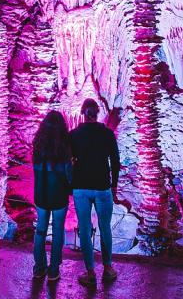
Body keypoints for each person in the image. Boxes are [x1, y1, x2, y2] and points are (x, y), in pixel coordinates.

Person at [68, 99, 120, 286]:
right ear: (98, 113)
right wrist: (114, 186)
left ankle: (90, 272)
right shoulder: (107, 133)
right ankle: (107, 268)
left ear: (83, 113)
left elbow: (69, 162)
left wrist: (70, 185)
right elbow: (115, 161)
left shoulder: (73, 134)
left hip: (81, 187)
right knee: (105, 227)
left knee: (84, 228)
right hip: (102, 186)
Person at [31, 111, 74, 280]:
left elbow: (36, 171)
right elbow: (68, 175)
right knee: (57, 231)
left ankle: (39, 268)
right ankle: (54, 269)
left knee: (40, 231)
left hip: (41, 194)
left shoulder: (38, 146)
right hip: (58, 195)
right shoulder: (64, 148)